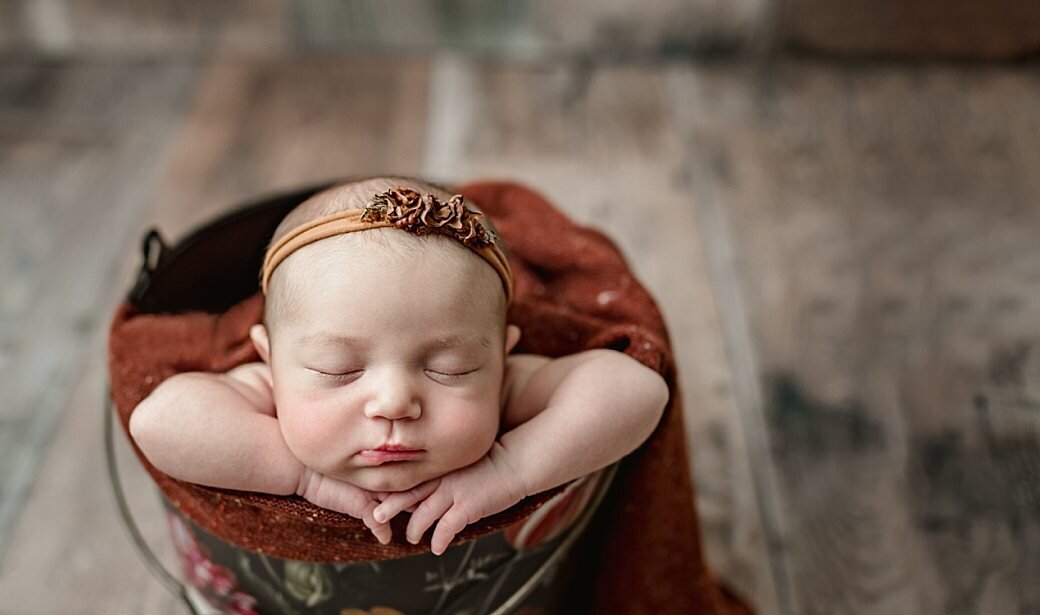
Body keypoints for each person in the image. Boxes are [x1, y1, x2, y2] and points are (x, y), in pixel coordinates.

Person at [128, 176, 669, 555]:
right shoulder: (271, 389)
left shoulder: (501, 389)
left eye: (449, 368)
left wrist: (512, 469)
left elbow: (637, 389)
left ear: (500, 357)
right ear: (272, 360)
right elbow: (158, 422)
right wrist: (302, 478)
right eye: (339, 369)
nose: (393, 403)